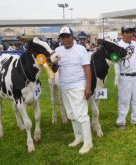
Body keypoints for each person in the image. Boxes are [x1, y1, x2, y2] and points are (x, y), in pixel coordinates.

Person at [55, 26, 93, 154]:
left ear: (72, 36)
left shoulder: (81, 49)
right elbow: (54, 69)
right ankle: (79, 137)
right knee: (71, 114)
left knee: (81, 114)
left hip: (78, 86)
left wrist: (88, 87)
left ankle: (88, 143)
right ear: (60, 39)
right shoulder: (58, 50)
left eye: (68, 36)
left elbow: (87, 68)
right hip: (65, 86)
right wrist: (51, 63)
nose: (66, 39)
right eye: (63, 37)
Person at [116, 25, 136, 130]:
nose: (129, 34)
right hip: (125, 77)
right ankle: (121, 122)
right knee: (124, 100)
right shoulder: (118, 45)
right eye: (126, 32)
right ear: (122, 33)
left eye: (130, 32)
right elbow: (114, 59)